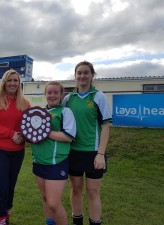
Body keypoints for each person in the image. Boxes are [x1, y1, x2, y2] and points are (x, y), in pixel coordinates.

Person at [63, 61, 112, 225]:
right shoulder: (68, 98)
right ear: (75, 75)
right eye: (79, 73)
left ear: (92, 75)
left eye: (86, 72)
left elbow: (106, 125)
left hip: (93, 153)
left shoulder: (98, 96)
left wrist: (101, 154)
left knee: (93, 192)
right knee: (75, 189)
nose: (82, 76)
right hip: (73, 152)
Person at [0, 69, 30, 225]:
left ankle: (5, 215)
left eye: (15, 80)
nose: (12, 83)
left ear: (19, 83)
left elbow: (31, 124)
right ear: (4, 82)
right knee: (2, 186)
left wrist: (24, 135)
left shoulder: (24, 102)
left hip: (17, 151)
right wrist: (11, 134)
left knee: (10, 186)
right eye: (9, 80)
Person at [31, 81, 76, 225]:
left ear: (61, 94)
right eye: (49, 92)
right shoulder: (39, 112)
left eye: (56, 92)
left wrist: (45, 132)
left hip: (56, 162)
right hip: (39, 161)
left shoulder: (65, 112)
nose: (52, 95)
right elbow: (33, 135)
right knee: (45, 199)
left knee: (53, 203)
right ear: (45, 94)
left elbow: (69, 136)